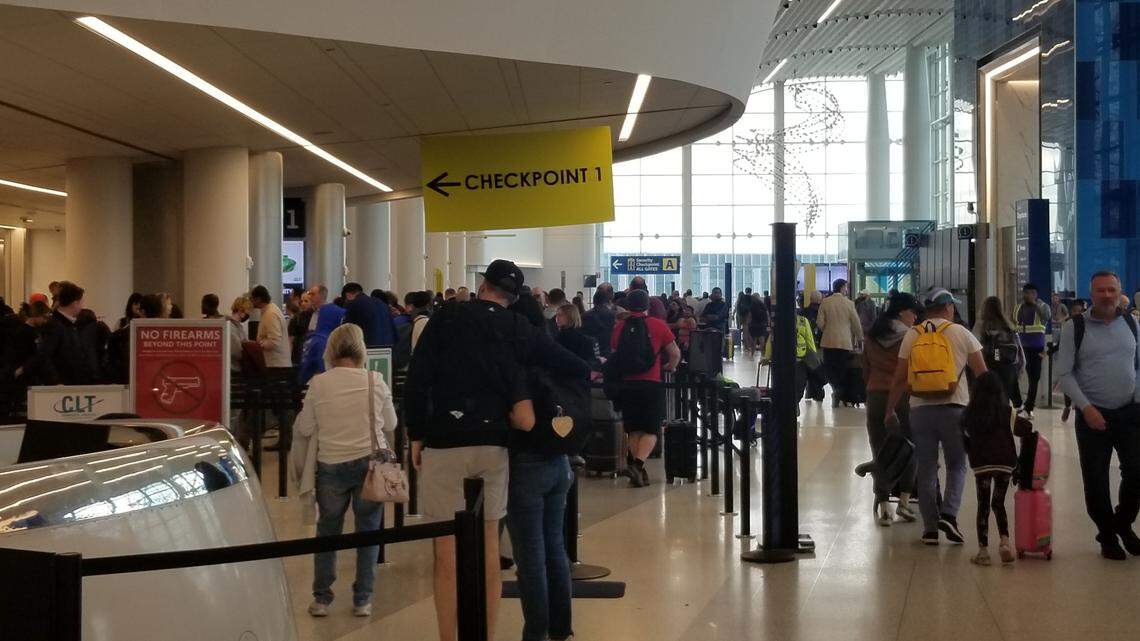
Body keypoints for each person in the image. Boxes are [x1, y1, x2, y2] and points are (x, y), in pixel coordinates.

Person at [404, 258, 540, 641]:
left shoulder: (447, 316)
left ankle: (451, 637)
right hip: (494, 442)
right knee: (488, 551)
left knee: (446, 552)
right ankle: (486, 635)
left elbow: (419, 376)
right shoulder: (515, 327)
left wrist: (416, 433)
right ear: (512, 298)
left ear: (482, 285)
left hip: (445, 439)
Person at [291, 323, 398, 617]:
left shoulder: (318, 383)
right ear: (360, 349)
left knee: (328, 531)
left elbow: (305, 427)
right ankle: (363, 598)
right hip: (369, 466)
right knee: (367, 532)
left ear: (331, 350)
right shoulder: (375, 380)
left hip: (330, 465)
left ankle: (322, 598)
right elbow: (391, 424)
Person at [885, 288, 987, 546]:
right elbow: (983, 374)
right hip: (955, 408)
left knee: (928, 467)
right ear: (949, 307)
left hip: (919, 409)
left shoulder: (913, 334)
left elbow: (899, 377)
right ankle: (950, 515)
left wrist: (889, 409)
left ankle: (930, 529)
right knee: (957, 465)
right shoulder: (961, 333)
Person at [1055, 270, 1140, 560]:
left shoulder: (1132, 323)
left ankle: (1121, 523)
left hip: (1130, 413)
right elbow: (1064, 373)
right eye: (1101, 290)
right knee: (1096, 479)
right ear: (1091, 294)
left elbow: (1138, 365)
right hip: (1092, 414)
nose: (1106, 295)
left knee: (1136, 473)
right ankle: (1108, 535)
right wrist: (1086, 408)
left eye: (1111, 290)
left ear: (1119, 291)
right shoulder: (1074, 327)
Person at [610, 289, 682, 487]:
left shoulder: (620, 327)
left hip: (627, 383)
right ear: (647, 306)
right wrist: (669, 366)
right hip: (651, 383)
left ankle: (638, 470)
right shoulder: (658, 325)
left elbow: (615, 352)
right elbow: (675, 353)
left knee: (634, 428)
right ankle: (638, 464)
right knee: (652, 428)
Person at [961, 371, 1032, 566]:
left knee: (983, 505)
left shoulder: (969, 413)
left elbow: (964, 437)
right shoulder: (1007, 411)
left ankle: (983, 552)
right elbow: (1025, 428)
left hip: (982, 464)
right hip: (1004, 462)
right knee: (998, 503)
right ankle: (1005, 543)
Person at [861, 292, 920, 526]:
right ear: (901, 312)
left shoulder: (872, 336)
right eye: (912, 311)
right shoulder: (910, 337)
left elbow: (864, 369)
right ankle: (904, 501)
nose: (915, 316)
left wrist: (873, 385)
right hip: (902, 398)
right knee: (909, 448)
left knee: (880, 450)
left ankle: (884, 506)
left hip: (875, 395)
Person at [816, 279, 864, 406]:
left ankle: (836, 388)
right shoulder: (849, 303)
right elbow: (856, 324)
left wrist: (827, 329)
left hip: (828, 341)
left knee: (829, 368)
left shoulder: (825, 302)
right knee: (842, 367)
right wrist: (860, 339)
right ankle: (841, 391)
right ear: (842, 288)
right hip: (844, 341)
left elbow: (819, 323)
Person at [37, 281, 95, 385]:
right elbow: (45, 356)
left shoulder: (69, 324)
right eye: (80, 302)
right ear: (74, 303)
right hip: (64, 387)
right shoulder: (55, 326)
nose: (82, 307)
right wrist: (56, 382)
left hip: (72, 386)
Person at [973, 296, 1025, 409]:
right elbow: (1019, 350)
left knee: (988, 403)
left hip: (989, 368)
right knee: (1003, 401)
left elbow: (973, 347)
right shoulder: (1009, 326)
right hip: (1008, 370)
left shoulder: (981, 326)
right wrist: (1020, 369)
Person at [1013, 283, 1050, 418]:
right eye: (1025, 293)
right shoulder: (1018, 307)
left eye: (1030, 293)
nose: (1027, 296)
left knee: (1034, 378)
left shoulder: (1043, 306)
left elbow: (1047, 317)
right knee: (1015, 375)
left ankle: (1029, 408)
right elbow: (1014, 323)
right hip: (1020, 346)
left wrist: (1036, 304)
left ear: (1035, 294)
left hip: (1036, 347)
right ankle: (1019, 404)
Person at [1, 300, 52, 386]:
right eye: (44, 317)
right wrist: (21, 369)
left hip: (30, 373)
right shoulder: (23, 332)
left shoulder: (38, 331)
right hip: (24, 375)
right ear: (36, 316)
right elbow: (20, 354)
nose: (45, 321)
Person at [299, 303, 347, 385]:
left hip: (307, 384)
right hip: (317, 386)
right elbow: (326, 369)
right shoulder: (323, 342)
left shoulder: (313, 338)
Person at [342, 282, 397, 348]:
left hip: (367, 348)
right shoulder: (381, 303)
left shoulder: (354, 304)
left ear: (347, 295)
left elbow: (347, 329)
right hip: (387, 348)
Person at [251, 285, 292, 368]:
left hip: (276, 364)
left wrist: (257, 345)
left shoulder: (271, 314)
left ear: (258, 299)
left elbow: (274, 341)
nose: (251, 301)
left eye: (252, 298)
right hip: (275, 363)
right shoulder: (269, 311)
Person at [553, 302, 599, 368]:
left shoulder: (564, 336)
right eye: (556, 315)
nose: (557, 318)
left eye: (561, 315)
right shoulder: (558, 334)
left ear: (570, 316)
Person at [582, 289, 617, 357]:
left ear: (594, 301)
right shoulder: (612, 315)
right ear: (609, 301)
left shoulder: (585, 315)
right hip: (607, 351)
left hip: (590, 351)